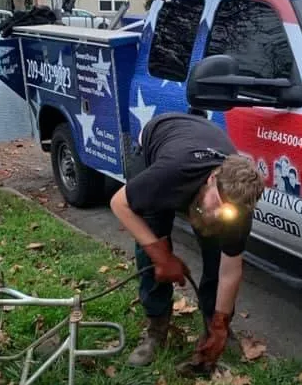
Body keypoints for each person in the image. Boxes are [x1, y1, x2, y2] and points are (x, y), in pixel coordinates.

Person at [109, 112, 265, 371]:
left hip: (196, 141)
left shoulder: (238, 206)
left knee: (216, 255)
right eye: (218, 202)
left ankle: (210, 328)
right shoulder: (171, 173)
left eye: (228, 211)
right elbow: (119, 204)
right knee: (151, 240)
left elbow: (230, 270)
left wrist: (220, 324)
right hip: (158, 146)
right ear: (212, 179)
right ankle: (156, 330)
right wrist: (162, 256)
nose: (217, 213)